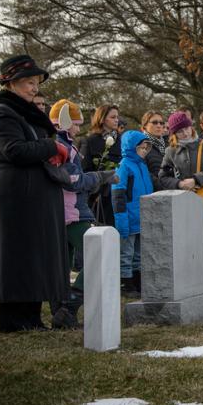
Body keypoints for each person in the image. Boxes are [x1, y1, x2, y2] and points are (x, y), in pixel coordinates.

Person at [0, 54, 70, 332]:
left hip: (37, 187)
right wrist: (51, 147)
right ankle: (14, 317)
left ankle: (32, 314)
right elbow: (14, 150)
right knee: (20, 253)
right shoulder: (3, 112)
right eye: (27, 82)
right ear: (10, 83)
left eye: (36, 82)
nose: (34, 88)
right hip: (18, 189)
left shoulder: (27, 112)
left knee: (37, 253)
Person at [50, 99, 117, 327]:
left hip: (68, 211)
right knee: (98, 256)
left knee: (64, 264)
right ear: (64, 122)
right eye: (75, 124)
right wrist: (100, 177)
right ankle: (70, 304)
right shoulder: (62, 147)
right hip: (73, 212)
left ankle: (62, 314)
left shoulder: (67, 145)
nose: (78, 129)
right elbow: (71, 181)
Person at [159, 111, 203, 287]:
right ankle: (188, 284)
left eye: (186, 129)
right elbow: (163, 176)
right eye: (180, 131)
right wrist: (179, 184)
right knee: (186, 245)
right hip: (183, 203)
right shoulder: (171, 151)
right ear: (173, 134)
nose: (185, 133)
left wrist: (195, 179)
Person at [112, 130, 154, 296]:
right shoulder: (123, 166)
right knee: (126, 254)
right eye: (141, 148)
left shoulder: (142, 166)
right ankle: (126, 284)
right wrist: (121, 221)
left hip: (142, 217)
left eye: (146, 148)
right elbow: (118, 195)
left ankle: (137, 283)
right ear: (131, 148)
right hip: (128, 218)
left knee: (138, 254)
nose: (144, 151)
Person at [80, 104, 121, 225]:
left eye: (117, 117)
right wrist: (95, 191)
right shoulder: (90, 141)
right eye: (113, 117)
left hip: (120, 192)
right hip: (100, 196)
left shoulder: (122, 139)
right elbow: (86, 169)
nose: (117, 120)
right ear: (102, 119)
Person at [140, 110, 167, 187]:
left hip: (171, 188)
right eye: (155, 122)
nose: (159, 125)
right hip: (151, 191)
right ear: (145, 125)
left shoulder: (168, 144)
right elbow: (144, 172)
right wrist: (162, 186)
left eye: (161, 123)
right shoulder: (141, 145)